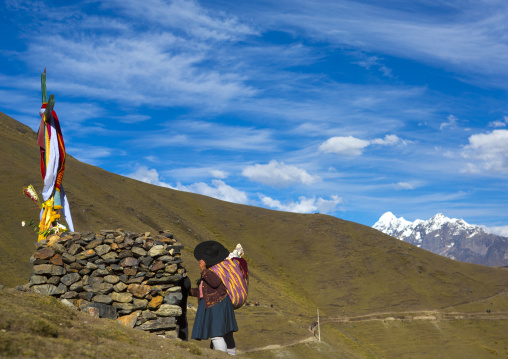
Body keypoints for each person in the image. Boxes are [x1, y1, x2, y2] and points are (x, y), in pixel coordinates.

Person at [191, 241, 238, 355]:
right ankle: (231, 356)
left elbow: (215, 282)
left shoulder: (215, 270)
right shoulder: (216, 269)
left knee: (216, 334)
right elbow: (205, 291)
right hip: (218, 302)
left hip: (217, 304)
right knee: (225, 334)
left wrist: (203, 270)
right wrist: (189, 291)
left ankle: (223, 357)